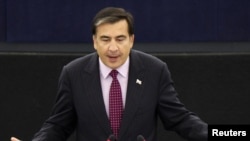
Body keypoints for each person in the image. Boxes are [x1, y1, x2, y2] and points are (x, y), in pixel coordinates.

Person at [11, 7, 207, 141]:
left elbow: (181, 119)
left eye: (120, 39)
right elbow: (58, 125)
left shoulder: (154, 70)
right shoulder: (74, 73)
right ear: (94, 41)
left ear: (131, 40)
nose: (113, 47)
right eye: (105, 39)